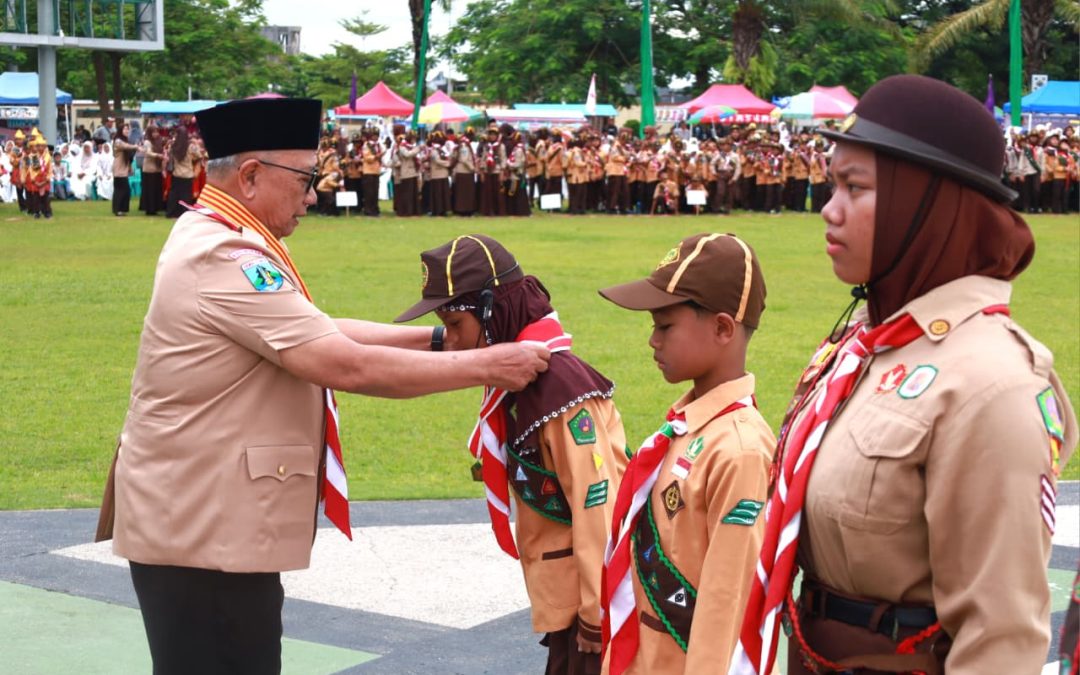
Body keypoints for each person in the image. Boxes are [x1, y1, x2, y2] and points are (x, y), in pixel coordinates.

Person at [93, 97, 550, 675]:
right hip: (202, 529)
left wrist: (439, 342)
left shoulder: (220, 234)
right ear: (253, 175)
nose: (312, 195)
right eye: (305, 179)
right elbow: (341, 363)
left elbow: (314, 327)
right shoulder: (224, 252)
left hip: (205, 520)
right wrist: (491, 366)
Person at [730, 74, 1079, 675]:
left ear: (926, 205)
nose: (828, 209)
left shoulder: (989, 382)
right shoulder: (873, 340)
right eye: (831, 184)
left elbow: (999, 636)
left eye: (853, 188)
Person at [394, 234, 627, 674]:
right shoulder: (522, 381)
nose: (455, 342)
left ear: (492, 310)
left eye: (457, 323)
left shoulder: (562, 390)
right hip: (563, 602)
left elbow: (597, 504)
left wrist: (597, 614)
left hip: (588, 607)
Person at [597, 233, 775, 674]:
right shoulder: (691, 425)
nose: (652, 341)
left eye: (665, 326)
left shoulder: (739, 450)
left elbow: (728, 606)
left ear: (721, 328)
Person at [112, 123, 139, 216]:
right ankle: (117, 209)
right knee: (120, 189)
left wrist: (130, 167)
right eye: (125, 129)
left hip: (124, 168)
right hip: (118, 169)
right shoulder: (118, 141)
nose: (127, 131)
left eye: (128, 129)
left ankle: (122, 209)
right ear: (120, 130)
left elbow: (128, 156)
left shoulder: (125, 140)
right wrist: (136, 146)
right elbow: (125, 146)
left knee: (126, 190)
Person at [139, 125, 166, 216]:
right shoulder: (147, 141)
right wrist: (158, 155)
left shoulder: (158, 141)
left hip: (157, 169)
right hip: (149, 169)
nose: (156, 134)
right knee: (150, 190)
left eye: (157, 132)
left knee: (156, 189)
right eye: (154, 132)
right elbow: (148, 152)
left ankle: (155, 207)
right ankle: (149, 209)